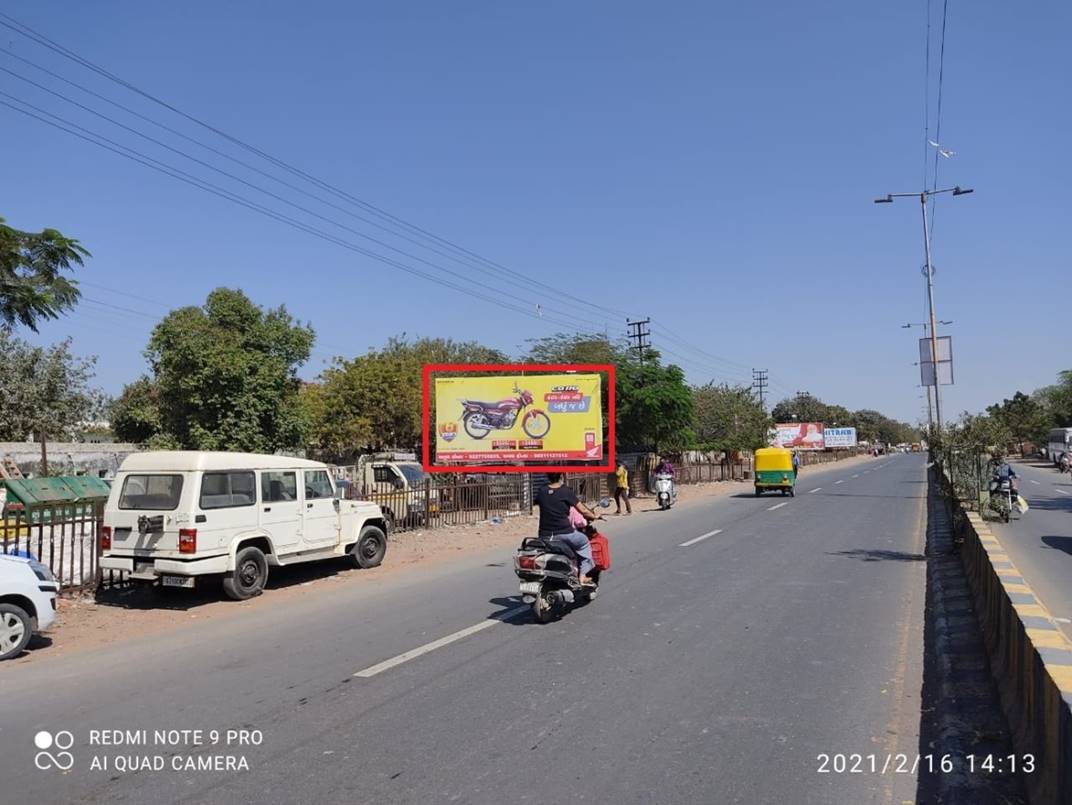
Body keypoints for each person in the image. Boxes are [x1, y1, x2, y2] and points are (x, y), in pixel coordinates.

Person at [534, 473, 597, 585]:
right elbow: (583, 510)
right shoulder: (566, 491)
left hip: (545, 535)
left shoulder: (541, 491)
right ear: (561, 476)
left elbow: (539, 502)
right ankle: (582, 577)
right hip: (564, 533)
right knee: (584, 542)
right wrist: (594, 516)